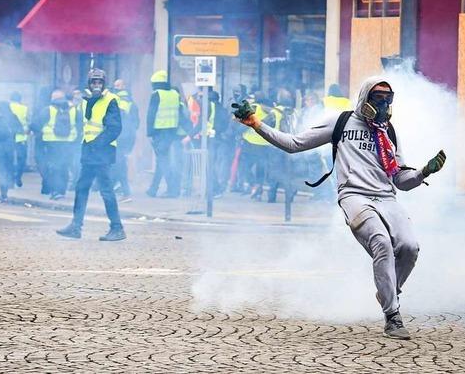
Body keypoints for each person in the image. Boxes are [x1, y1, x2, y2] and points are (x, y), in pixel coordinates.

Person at [233, 76, 446, 340]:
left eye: (387, 99)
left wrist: (424, 171)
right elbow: (293, 144)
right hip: (354, 195)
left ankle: (387, 292)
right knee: (380, 241)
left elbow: (401, 180)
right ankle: (393, 316)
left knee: (409, 248)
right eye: (377, 98)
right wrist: (256, 124)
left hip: (387, 197)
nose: (382, 104)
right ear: (364, 97)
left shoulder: (388, 131)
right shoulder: (341, 122)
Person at [56, 69, 125, 241]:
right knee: (82, 188)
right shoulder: (87, 101)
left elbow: (115, 129)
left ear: (104, 84)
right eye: (93, 82)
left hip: (102, 153)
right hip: (89, 152)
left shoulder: (111, 100)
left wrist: (96, 144)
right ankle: (76, 226)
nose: (96, 85)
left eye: (99, 83)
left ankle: (117, 228)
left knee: (106, 190)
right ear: (89, 83)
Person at [31, 90, 78, 200]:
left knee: (54, 167)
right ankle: (62, 191)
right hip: (69, 143)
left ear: (53, 99)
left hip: (51, 143)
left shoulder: (48, 110)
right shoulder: (74, 110)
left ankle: (55, 191)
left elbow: (36, 124)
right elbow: (80, 125)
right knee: (64, 166)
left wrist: (37, 132)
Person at [146, 70, 180, 198]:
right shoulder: (174, 94)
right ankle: (153, 189)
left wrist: (149, 133)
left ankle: (172, 190)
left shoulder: (156, 94)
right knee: (162, 160)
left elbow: (151, 115)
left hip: (159, 131)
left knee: (163, 160)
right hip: (172, 130)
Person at [110, 79, 139, 202]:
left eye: (117, 85)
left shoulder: (113, 101)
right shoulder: (131, 102)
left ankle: (125, 191)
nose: (115, 87)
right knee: (118, 163)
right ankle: (117, 187)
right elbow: (136, 122)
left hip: (118, 137)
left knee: (118, 164)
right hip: (127, 137)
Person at [9, 91, 28, 188]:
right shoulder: (24, 108)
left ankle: (10, 178)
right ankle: (18, 178)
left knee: (10, 159)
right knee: (21, 159)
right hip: (21, 137)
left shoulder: (8, 107)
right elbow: (28, 121)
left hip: (10, 137)